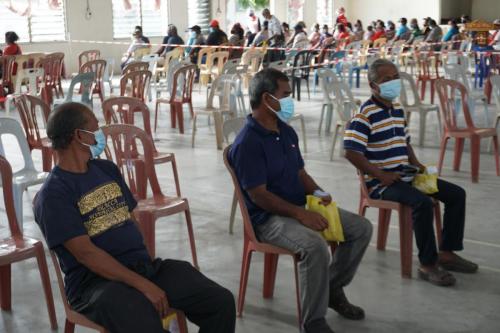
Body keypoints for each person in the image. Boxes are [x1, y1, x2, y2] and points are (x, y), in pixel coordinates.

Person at [34, 102, 236, 333]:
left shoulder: (106, 169)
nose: (100, 134)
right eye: (96, 128)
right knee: (144, 320)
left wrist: (145, 272)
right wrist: (142, 285)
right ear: (79, 135)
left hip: (142, 268)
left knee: (220, 302)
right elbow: (86, 254)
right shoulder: (53, 194)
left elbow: (130, 220)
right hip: (97, 285)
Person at [229, 68, 372, 333]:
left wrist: (318, 193)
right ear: (265, 98)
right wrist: (299, 214)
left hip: (298, 206)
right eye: (285, 95)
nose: (289, 101)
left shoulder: (285, 131)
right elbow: (258, 195)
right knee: (314, 246)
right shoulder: (248, 142)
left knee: (361, 228)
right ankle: (314, 321)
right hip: (267, 218)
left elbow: (300, 173)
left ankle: (330, 287)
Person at [344, 59, 478, 287]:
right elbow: (351, 152)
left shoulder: (396, 110)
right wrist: (380, 175)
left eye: (396, 77)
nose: (394, 83)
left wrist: (417, 165)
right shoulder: (364, 115)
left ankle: (447, 252)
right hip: (382, 183)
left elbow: (404, 142)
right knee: (422, 203)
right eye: (387, 80)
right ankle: (428, 264)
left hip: (406, 175)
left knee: (456, 194)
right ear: (373, 85)